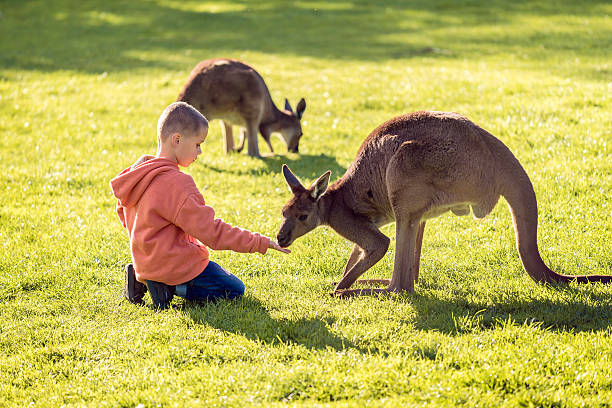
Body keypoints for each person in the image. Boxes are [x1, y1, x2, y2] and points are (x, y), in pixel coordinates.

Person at [110, 102, 289, 309]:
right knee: (234, 289)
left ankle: (140, 278)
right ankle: (169, 288)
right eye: (197, 144)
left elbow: (122, 212)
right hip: (175, 267)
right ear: (176, 140)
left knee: (216, 277)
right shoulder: (177, 184)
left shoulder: (138, 172)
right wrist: (258, 242)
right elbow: (212, 232)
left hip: (144, 261)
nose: (200, 151)